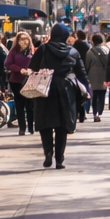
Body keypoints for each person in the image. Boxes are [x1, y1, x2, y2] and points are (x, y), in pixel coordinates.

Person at [29, 24, 86, 169]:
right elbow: (81, 72)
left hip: (45, 88)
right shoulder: (73, 51)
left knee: (45, 122)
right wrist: (86, 88)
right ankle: (60, 158)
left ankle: (48, 153)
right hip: (66, 89)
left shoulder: (43, 49)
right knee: (62, 125)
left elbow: (33, 66)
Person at [6, 31, 36, 135]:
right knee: (19, 104)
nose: (24, 41)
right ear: (17, 41)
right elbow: (8, 63)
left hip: (30, 81)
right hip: (17, 81)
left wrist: (32, 70)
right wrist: (20, 69)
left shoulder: (32, 51)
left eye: (26, 39)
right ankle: (22, 128)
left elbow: (38, 64)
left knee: (30, 104)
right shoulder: (13, 52)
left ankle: (31, 127)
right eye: (22, 39)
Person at [85, 34, 110, 123]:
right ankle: (100, 111)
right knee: (102, 94)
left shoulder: (90, 52)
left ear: (93, 41)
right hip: (104, 75)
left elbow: (87, 65)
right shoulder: (107, 50)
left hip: (93, 76)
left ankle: (95, 113)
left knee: (94, 95)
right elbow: (109, 64)